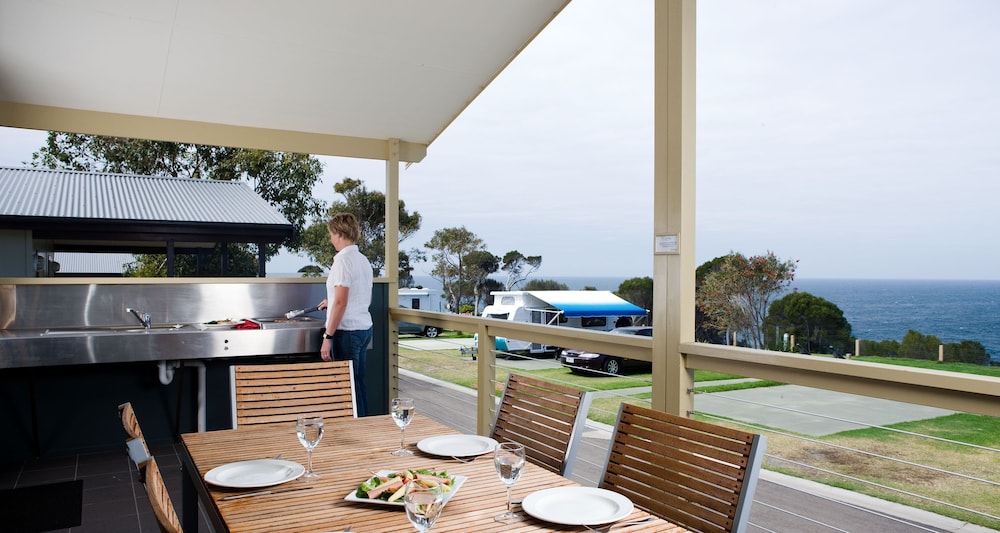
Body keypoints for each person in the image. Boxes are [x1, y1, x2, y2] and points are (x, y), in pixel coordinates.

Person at [317, 213, 373, 416]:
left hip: (347, 332)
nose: (331, 239)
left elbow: (342, 301)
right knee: (357, 383)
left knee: (348, 387)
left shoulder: (342, 261)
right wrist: (331, 301)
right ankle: (365, 427)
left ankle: (358, 434)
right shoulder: (362, 260)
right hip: (363, 328)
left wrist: (327, 337)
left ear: (339, 233)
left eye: (331, 234)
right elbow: (356, 295)